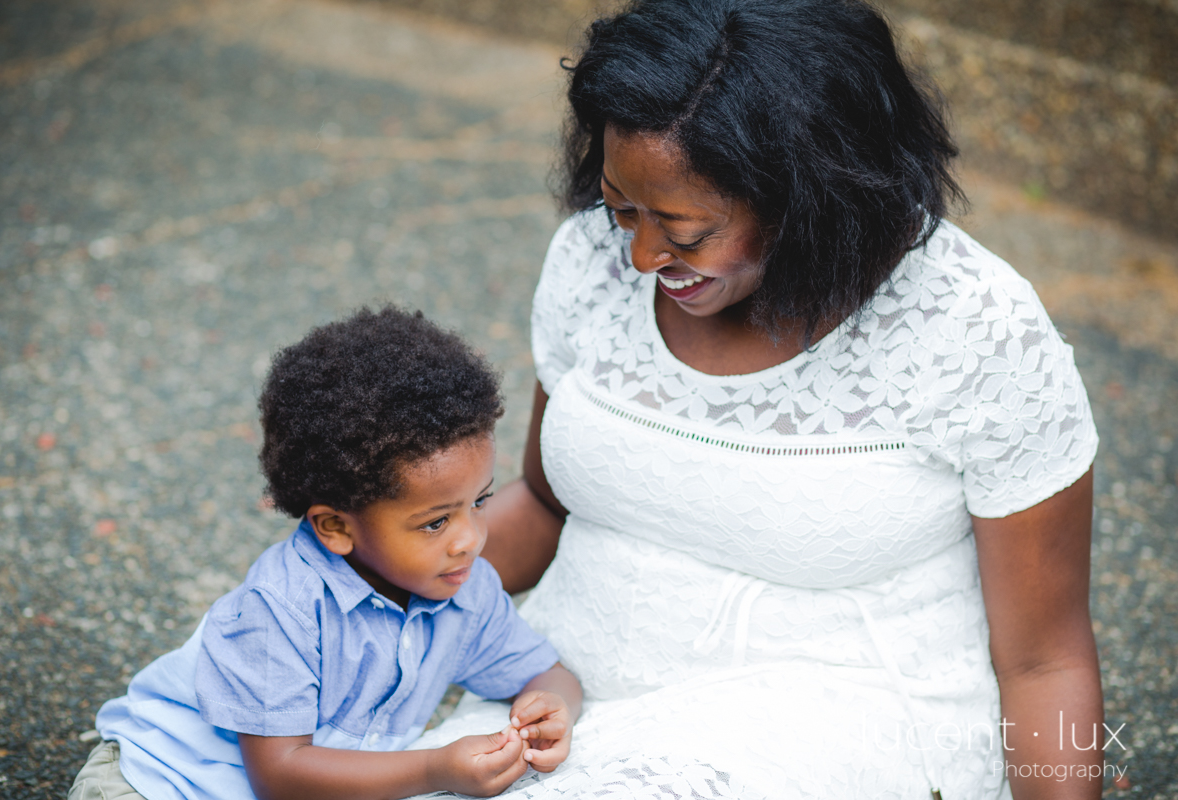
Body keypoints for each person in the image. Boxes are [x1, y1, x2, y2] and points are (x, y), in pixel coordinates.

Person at [413, 1, 1103, 798]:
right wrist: (357, 590)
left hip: (829, 728)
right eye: (620, 207)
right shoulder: (591, 259)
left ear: (811, 198)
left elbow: (1044, 657)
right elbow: (543, 500)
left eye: (685, 229)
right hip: (559, 699)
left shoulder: (975, 331)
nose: (637, 255)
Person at [68, 306, 583, 800]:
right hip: (157, 783)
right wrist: (435, 768)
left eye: (481, 501)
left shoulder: (464, 588)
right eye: (436, 521)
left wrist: (553, 704)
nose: (470, 536)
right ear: (335, 526)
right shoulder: (281, 609)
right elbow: (282, 775)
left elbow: (545, 672)